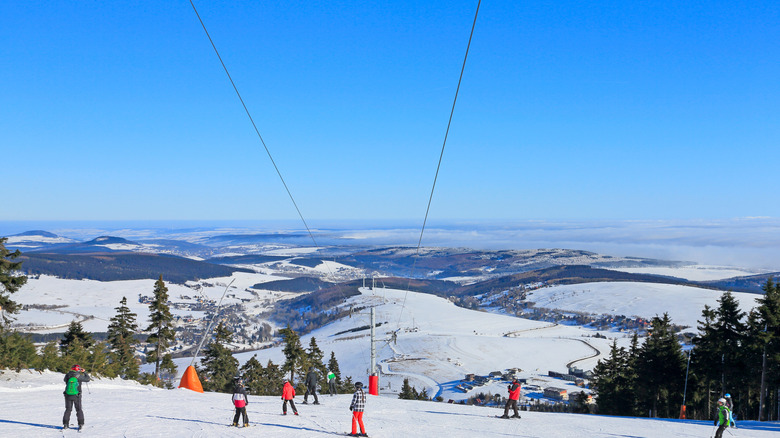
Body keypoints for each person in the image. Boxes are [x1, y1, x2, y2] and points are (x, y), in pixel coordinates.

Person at [62, 364, 91, 430]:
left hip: (68, 395)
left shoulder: (67, 375)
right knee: (78, 409)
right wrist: (84, 372)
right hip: (77, 395)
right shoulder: (79, 376)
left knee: (68, 409)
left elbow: (64, 380)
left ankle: (65, 424)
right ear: (78, 369)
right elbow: (88, 379)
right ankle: (80, 424)